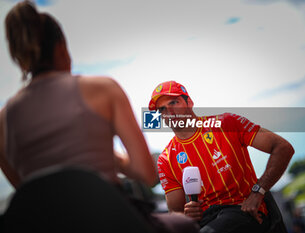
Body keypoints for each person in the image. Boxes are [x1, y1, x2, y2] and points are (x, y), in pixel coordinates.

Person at [0, 2, 199, 233]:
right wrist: (111, 157)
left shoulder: (4, 120)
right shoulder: (103, 89)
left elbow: (30, 193)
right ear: (62, 48)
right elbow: (146, 174)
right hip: (111, 220)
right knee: (185, 225)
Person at [148, 80, 295, 233]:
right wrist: (188, 213)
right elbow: (176, 213)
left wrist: (258, 193)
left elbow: (283, 148)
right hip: (207, 221)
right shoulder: (166, 159)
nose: (169, 112)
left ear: (189, 102)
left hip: (245, 211)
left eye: (174, 102)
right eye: (162, 109)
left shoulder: (226, 123)